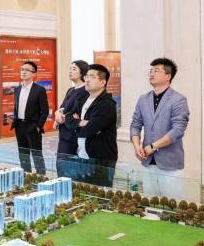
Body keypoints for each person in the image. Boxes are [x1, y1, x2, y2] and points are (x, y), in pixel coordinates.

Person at [130, 58, 190, 199]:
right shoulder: (143, 99)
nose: (151, 73)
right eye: (150, 70)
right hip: (147, 162)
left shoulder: (178, 99)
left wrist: (153, 146)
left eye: (156, 70)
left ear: (168, 76)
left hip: (170, 164)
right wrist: (137, 146)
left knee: (173, 206)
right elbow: (135, 124)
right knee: (150, 204)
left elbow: (178, 130)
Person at [70, 64, 118, 187]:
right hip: (81, 155)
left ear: (102, 82)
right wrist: (81, 122)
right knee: (82, 190)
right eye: (86, 76)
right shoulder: (82, 99)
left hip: (100, 158)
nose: (87, 80)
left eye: (91, 77)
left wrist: (77, 124)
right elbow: (68, 119)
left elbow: (89, 130)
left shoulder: (107, 103)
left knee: (99, 193)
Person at [11, 61, 49, 174]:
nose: (23, 72)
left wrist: (39, 126)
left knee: (36, 154)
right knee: (23, 154)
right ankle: (26, 175)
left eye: (27, 70)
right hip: (19, 126)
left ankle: (41, 176)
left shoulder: (39, 90)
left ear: (34, 74)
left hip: (33, 126)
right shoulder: (17, 89)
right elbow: (16, 107)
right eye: (22, 69)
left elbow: (45, 111)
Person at [54, 60, 89, 177]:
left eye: (74, 69)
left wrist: (63, 115)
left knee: (69, 168)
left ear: (82, 72)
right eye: (70, 69)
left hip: (73, 134)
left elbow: (75, 114)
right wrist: (57, 114)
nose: (70, 71)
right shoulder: (71, 90)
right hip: (64, 133)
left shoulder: (85, 91)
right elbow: (62, 108)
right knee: (61, 165)